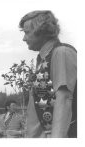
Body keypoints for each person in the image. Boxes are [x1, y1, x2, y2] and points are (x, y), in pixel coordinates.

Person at [19, 10, 77, 138]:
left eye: (27, 32)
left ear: (42, 31)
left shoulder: (62, 53)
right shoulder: (44, 59)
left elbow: (65, 98)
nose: (24, 38)